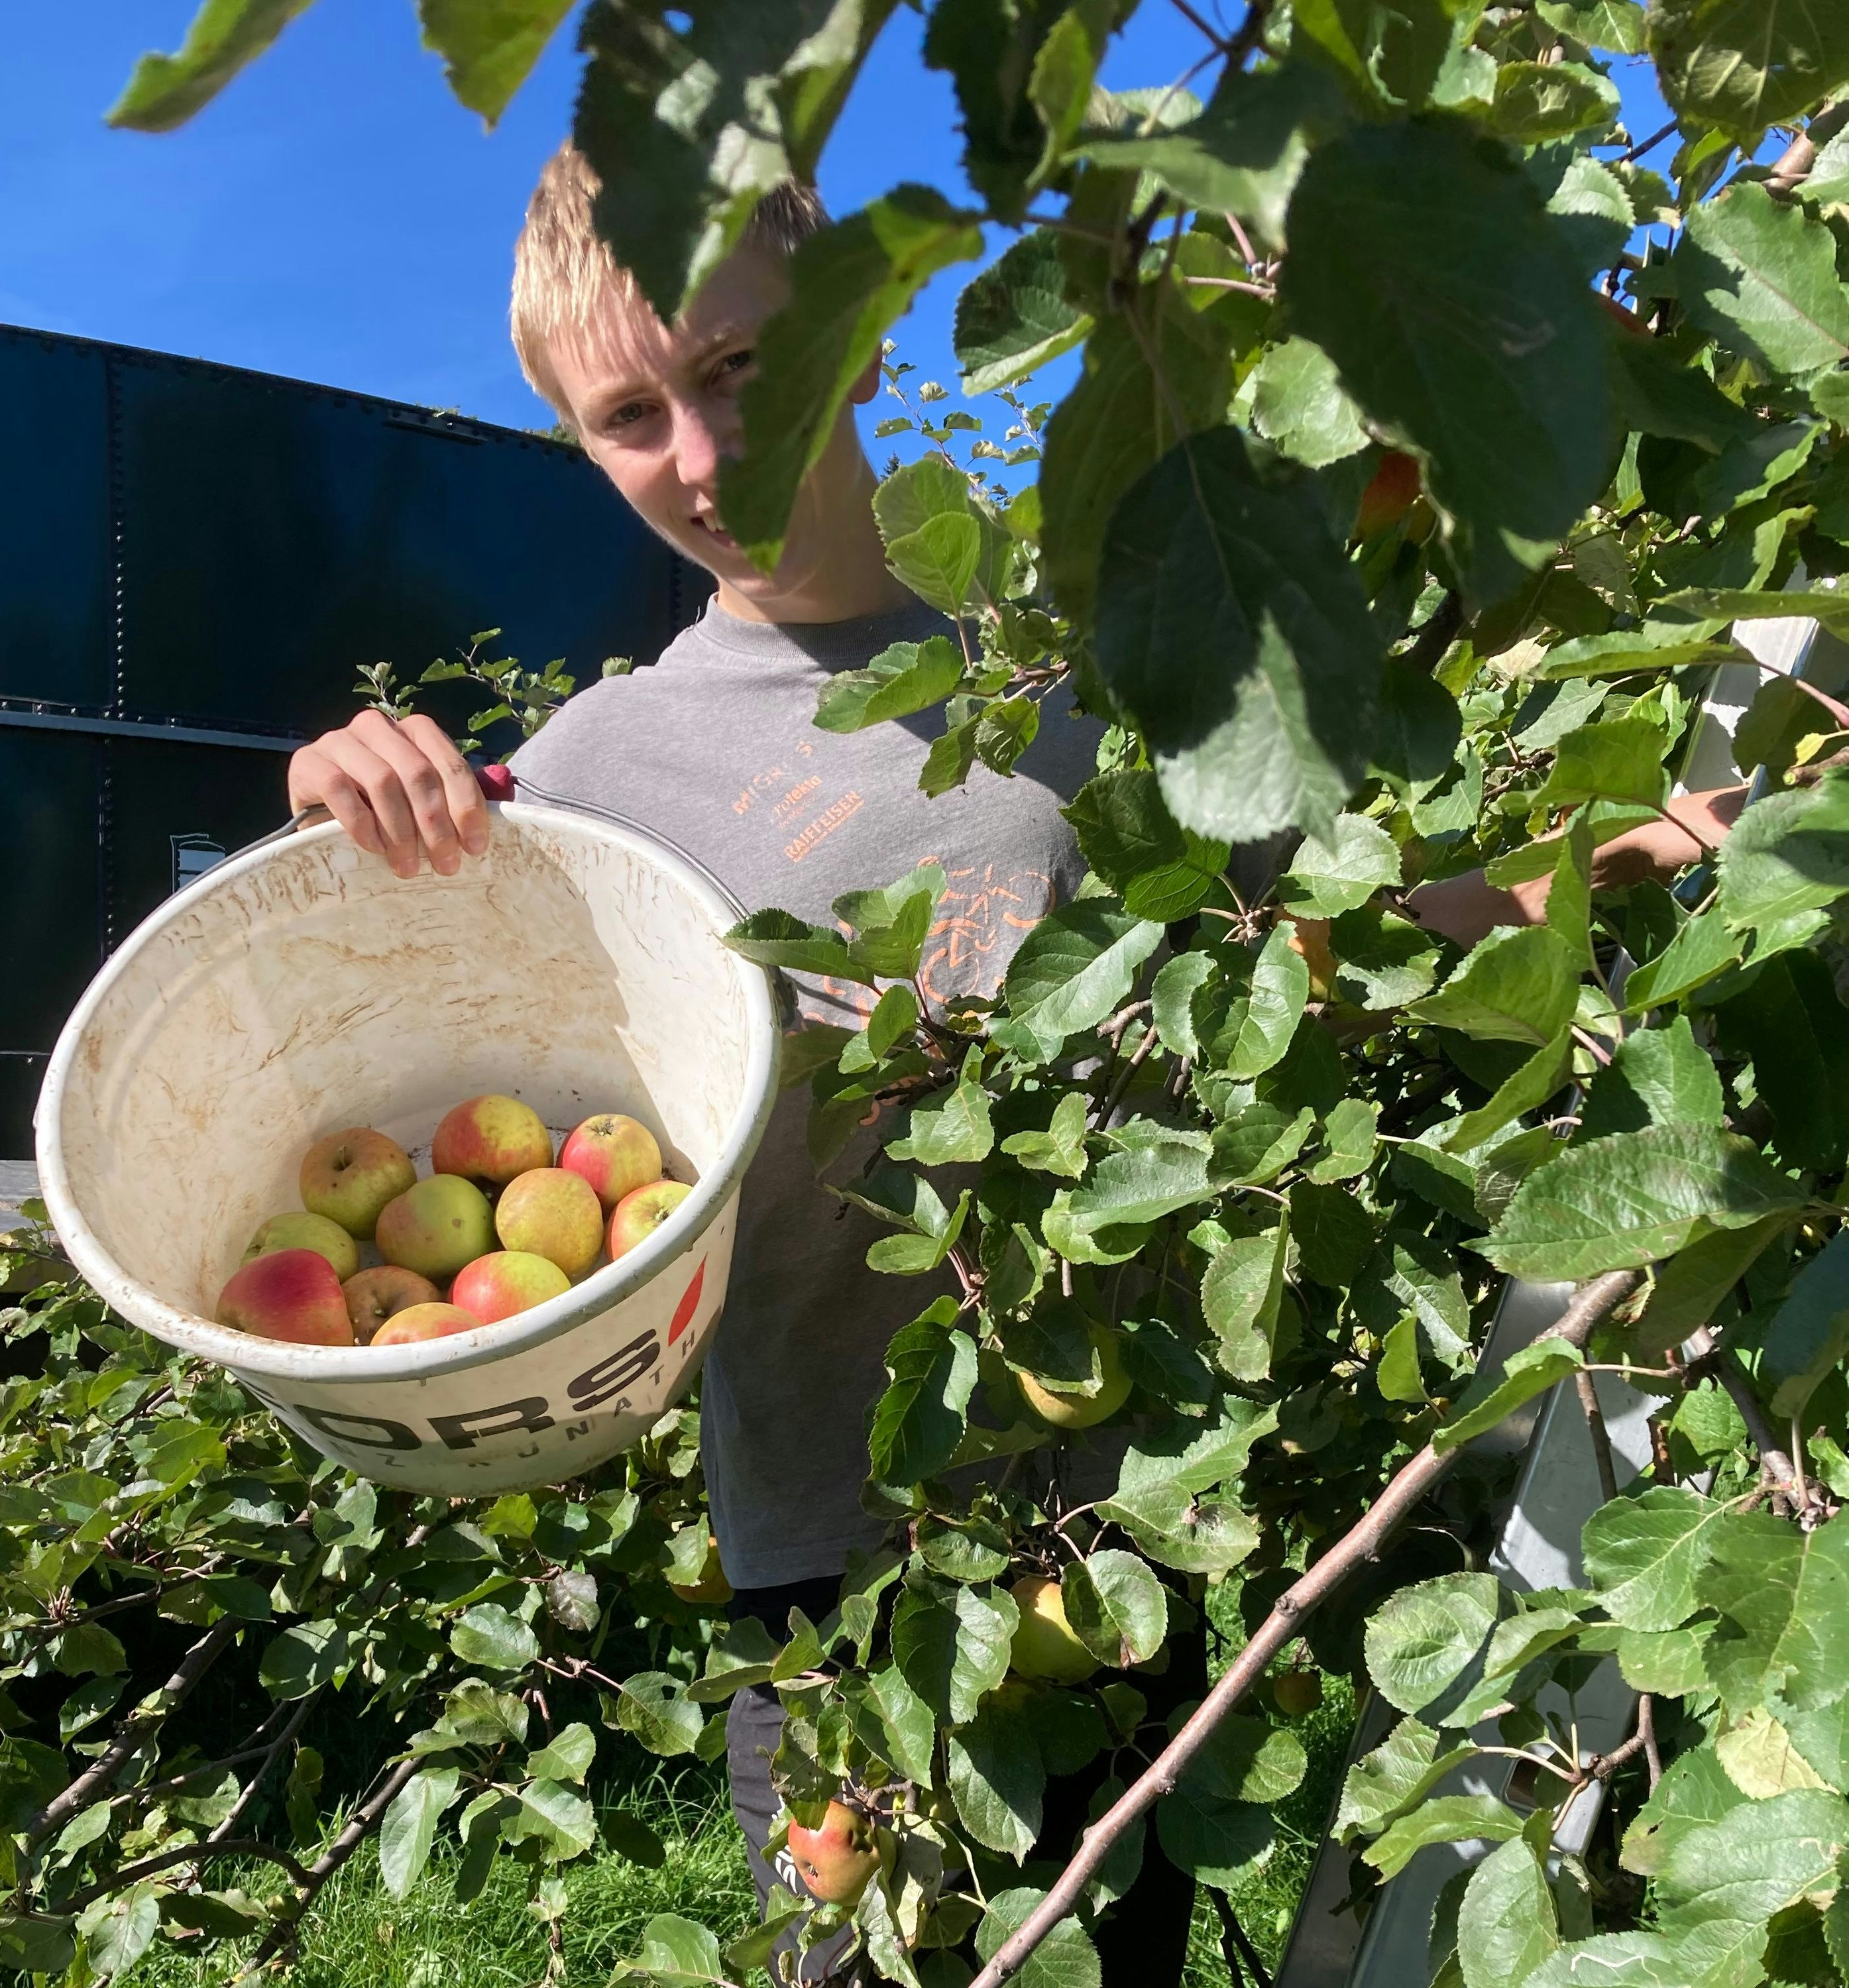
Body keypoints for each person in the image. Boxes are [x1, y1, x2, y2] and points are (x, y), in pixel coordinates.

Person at [284, 142, 1744, 1981]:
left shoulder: (1090, 676)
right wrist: (345, 794)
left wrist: (1642, 849)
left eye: (742, 368)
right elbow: (380, 1036)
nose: (708, 457)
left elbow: (1315, 938)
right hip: (819, 1565)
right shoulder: (589, 772)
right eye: (631, 416)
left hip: (1114, 1530)